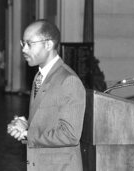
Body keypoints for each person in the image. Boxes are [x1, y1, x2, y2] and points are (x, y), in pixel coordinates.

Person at [7, 19, 86, 171]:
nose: (24, 49)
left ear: (48, 44)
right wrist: (27, 124)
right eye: (23, 44)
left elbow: (69, 135)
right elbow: (47, 121)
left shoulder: (68, 80)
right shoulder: (39, 76)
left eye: (30, 44)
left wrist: (27, 134)